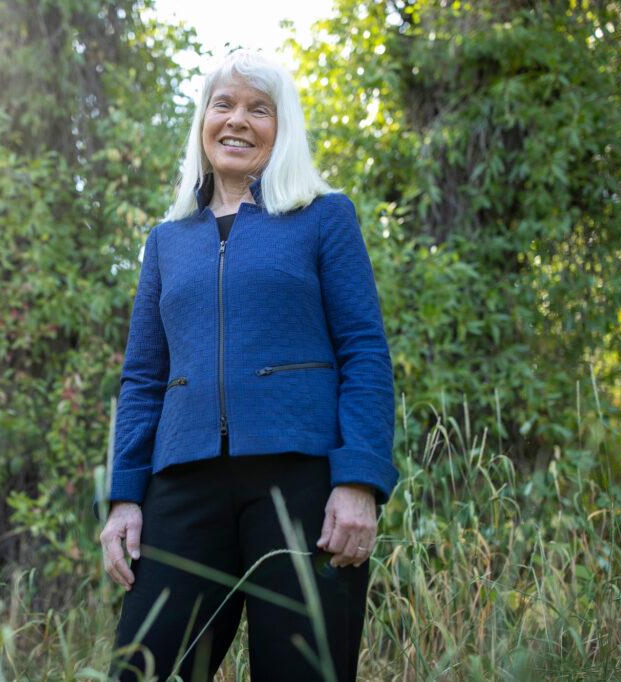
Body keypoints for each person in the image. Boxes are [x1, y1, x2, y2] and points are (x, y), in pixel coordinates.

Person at [94, 48, 399, 681]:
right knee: (142, 671)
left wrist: (360, 481)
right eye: (223, 104)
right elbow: (143, 377)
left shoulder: (323, 217)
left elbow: (364, 352)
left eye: (259, 109)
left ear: (281, 128)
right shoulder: (167, 240)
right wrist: (124, 497)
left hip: (302, 485)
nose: (238, 120)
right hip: (182, 485)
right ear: (203, 122)